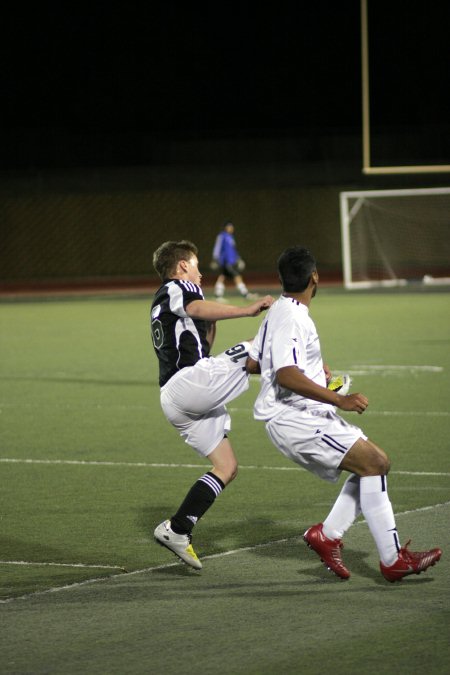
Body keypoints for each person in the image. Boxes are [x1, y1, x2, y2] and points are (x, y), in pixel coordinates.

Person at [246, 246, 442, 582]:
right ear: (315, 278)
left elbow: (254, 362)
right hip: (296, 418)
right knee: (375, 463)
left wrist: (312, 371)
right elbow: (286, 375)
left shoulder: (279, 310)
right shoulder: (292, 316)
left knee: (372, 464)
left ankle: (329, 535)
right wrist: (341, 399)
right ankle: (392, 560)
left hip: (299, 415)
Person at [150, 239, 274, 569]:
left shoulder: (175, 297)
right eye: (195, 265)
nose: (201, 273)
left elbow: (202, 347)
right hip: (186, 384)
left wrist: (213, 325)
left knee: (226, 467)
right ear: (180, 268)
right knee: (255, 346)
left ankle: (177, 529)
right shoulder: (176, 287)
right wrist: (246, 310)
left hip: (178, 397)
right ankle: (318, 381)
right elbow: (196, 309)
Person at [211, 221, 257, 300]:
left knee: (223, 276)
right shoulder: (222, 236)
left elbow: (233, 250)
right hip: (226, 261)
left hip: (231, 262)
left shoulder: (231, 237)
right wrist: (215, 259)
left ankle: (218, 296)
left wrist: (238, 259)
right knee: (237, 276)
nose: (232, 228)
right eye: (230, 227)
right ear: (226, 228)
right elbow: (217, 248)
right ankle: (245, 294)